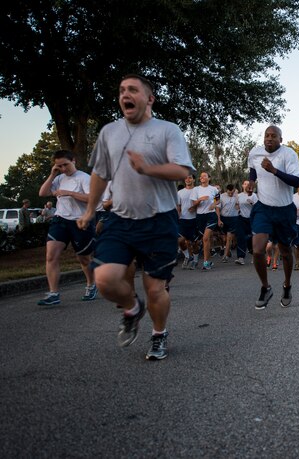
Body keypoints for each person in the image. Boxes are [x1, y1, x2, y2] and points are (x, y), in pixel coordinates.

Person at [77, 74, 194, 360]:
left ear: (149, 99)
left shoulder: (168, 130)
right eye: (121, 91)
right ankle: (132, 309)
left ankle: (158, 334)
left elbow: (183, 171)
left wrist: (148, 169)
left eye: (132, 90)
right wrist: (91, 209)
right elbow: (100, 174)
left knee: (155, 288)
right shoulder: (109, 132)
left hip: (159, 219)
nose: (125, 95)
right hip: (120, 218)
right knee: (104, 278)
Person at [248, 125, 299, 309]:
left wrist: (274, 170)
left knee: (286, 252)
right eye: (266, 136)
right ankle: (266, 287)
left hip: (284, 210)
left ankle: (287, 285)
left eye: (273, 136)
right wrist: (251, 182)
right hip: (263, 207)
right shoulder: (255, 153)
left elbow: (296, 181)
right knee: (257, 249)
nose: (269, 139)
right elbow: (253, 170)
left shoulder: (289, 154)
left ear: (280, 139)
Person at [37, 150, 97, 305]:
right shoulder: (58, 178)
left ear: (74, 161)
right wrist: (52, 175)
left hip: (81, 222)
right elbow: (42, 193)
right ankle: (53, 294)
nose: (63, 169)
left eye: (66, 165)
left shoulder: (84, 178)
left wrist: (68, 193)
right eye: (59, 166)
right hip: (60, 220)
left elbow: (92, 199)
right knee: (51, 256)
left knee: (83, 259)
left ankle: (91, 285)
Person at [190, 172, 219, 271]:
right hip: (200, 217)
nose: (201, 177)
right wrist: (200, 199)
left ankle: (206, 263)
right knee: (205, 239)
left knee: (206, 238)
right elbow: (194, 203)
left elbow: (218, 200)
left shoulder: (213, 189)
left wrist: (214, 205)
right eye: (201, 176)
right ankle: (209, 260)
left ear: (209, 178)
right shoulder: (196, 189)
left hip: (211, 215)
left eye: (204, 176)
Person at [177, 174, 199, 269]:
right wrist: (178, 216)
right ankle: (187, 256)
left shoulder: (198, 190)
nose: (188, 179)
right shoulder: (180, 192)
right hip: (183, 220)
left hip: (195, 219)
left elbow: (204, 203)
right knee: (180, 240)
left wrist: (195, 207)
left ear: (193, 179)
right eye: (186, 177)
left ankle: (195, 260)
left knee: (195, 243)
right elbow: (178, 206)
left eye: (190, 177)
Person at [235, 180, 257, 265]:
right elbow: (236, 206)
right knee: (240, 237)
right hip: (241, 218)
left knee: (251, 238)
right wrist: (237, 206)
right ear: (242, 186)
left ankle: (254, 256)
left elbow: (257, 207)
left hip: (252, 219)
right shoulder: (239, 196)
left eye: (248, 184)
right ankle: (241, 258)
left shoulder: (254, 195)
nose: (246, 185)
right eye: (245, 184)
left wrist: (251, 203)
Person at [219, 184, 240, 262]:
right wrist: (218, 219)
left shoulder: (237, 196)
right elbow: (216, 207)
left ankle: (225, 256)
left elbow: (239, 206)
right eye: (229, 193)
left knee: (229, 238)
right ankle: (227, 250)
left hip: (233, 218)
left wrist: (237, 199)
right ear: (226, 190)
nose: (230, 194)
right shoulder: (220, 196)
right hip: (223, 218)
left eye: (232, 192)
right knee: (224, 238)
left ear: (234, 190)